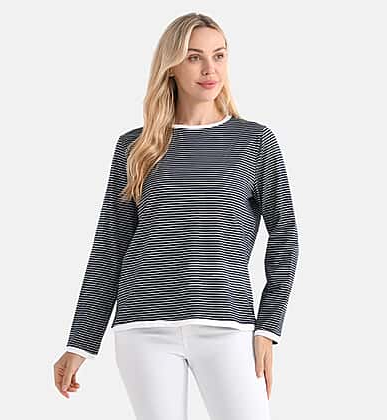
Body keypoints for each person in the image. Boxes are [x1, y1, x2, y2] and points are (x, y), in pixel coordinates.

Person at [53, 12, 299, 420]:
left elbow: (285, 237)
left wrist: (268, 328)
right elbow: (109, 247)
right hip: (142, 327)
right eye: (194, 57)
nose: (209, 69)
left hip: (228, 325)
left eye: (219, 56)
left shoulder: (254, 141)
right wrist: (80, 343)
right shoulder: (135, 146)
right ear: (171, 66)